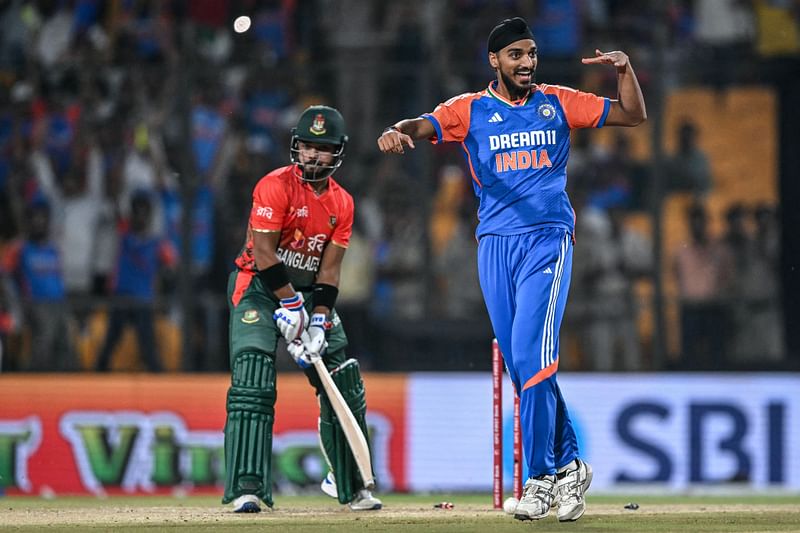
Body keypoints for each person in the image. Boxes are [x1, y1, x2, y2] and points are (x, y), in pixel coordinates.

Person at [377, 17, 645, 522]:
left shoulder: (558, 101)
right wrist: (397, 131)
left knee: (530, 352)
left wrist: (625, 70)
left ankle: (540, 478)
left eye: (532, 54)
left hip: (547, 241)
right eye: (517, 55)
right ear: (495, 61)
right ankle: (570, 468)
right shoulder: (471, 110)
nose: (527, 63)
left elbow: (632, 116)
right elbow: (425, 124)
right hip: (494, 247)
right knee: (524, 367)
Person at [223, 105, 381, 513]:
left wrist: (320, 322)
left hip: (310, 295)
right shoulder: (274, 186)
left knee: (343, 377)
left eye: (323, 150)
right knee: (253, 377)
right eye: (307, 147)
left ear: (337, 154)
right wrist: (290, 306)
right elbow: (262, 253)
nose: (313, 156)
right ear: (296, 146)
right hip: (258, 288)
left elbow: (329, 271)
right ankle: (248, 488)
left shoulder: (342, 204)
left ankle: (350, 484)